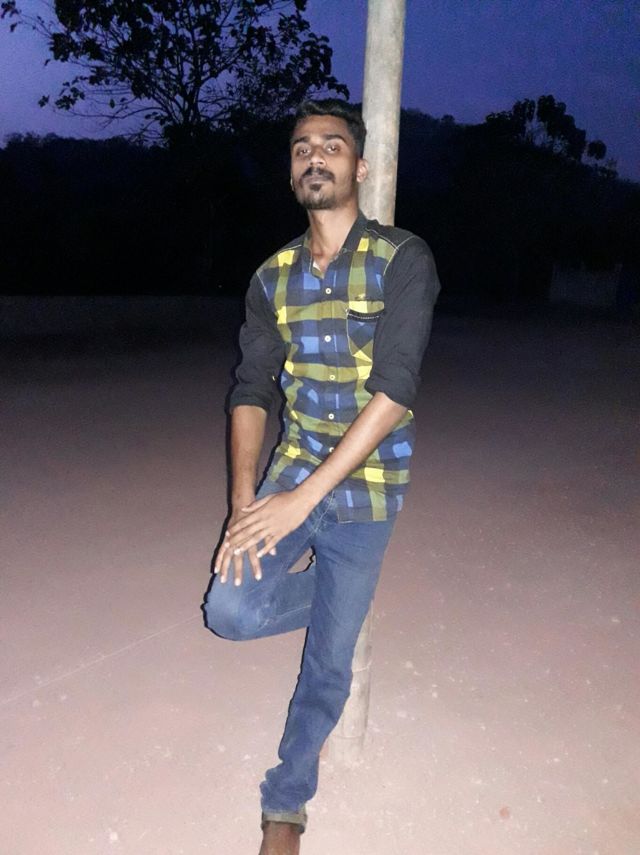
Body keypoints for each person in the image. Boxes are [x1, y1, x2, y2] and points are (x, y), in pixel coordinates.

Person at [204, 98, 441, 855]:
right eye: (303, 146)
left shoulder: (403, 259)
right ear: (291, 171)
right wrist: (246, 503)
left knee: (328, 667)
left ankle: (286, 803)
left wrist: (306, 498)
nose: (316, 155)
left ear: (360, 167)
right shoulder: (271, 277)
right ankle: (343, 597)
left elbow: (396, 390)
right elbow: (250, 391)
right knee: (229, 610)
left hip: (369, 485)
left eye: (332, 145)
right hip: (294, 467)